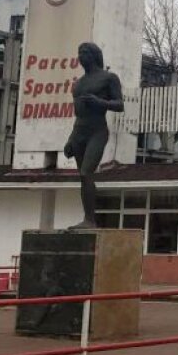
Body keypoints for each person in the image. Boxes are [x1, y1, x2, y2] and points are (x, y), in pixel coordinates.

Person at [63, 42, 124, 230]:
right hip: (79, 132)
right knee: (83, 177)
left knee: (86, 172)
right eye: (79, 52)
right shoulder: (79, 83)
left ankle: (90, 220)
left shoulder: (108, 78)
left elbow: (119, 105)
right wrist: (71, 139)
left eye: (86, 52)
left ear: (95, 55)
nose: (81, 56)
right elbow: (78, 114)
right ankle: (88, 218)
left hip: (97, 130)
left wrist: (99, 102)